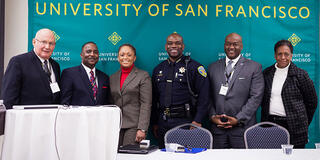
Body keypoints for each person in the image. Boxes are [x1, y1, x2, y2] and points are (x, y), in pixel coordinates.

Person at [151, 33, 210, 148]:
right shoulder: (158, 69)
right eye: (170, 43)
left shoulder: (194, 67)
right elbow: (154, 99)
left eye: (177, 43)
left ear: (183, 47)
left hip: (186, 122)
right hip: (163, 122)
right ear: (165, 47)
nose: (173, 46)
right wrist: (154, 122)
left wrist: (197, 120)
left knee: (184, 155)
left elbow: (205, 96)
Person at [208, 33, 264, 149]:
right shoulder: (212, 67)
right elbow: (207, 97)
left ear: (241, 46)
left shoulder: (254, 67)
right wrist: (213, 116)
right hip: (217, 130)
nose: (231, 47)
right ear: (224, 45)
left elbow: (256, 97)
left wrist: (238, 119)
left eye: (235, 44)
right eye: (228, 44)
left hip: (242, 129)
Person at [261, 40, 318, 148]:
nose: (283, 57)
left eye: (286, 54)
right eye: (279, 54)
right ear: (275, 55)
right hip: (271, 124)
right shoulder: (267, 73)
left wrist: (303, 122)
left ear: (291, 55)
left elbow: (312, 102)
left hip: (295, 127)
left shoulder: (300, 75)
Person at [1, 28, 61, 109]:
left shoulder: (55, 65)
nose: (47, 46)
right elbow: (9, 97)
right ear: (34, 42)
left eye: (51, 43)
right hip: (27, 118)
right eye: (43, 42)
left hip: (51, 118)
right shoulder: (18, 62)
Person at [109, 44, 152, 146]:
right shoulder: (112, 77)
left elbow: (146, 103)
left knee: (128, 155)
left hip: (134, 126)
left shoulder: (143, 76)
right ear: (118, 57)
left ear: (134, 58)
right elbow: (111, 103)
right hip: (116, 125)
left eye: (129, 55)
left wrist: (142, 128)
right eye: (122, 55)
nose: (125, 58)